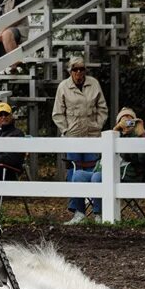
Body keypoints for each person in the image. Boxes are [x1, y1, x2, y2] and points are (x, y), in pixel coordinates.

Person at [53, 57, 108, 224]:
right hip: (74, 137)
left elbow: (102, 108)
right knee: (73, 173)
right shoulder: (63, 86)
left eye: (81, 69)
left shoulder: (94, 84)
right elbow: (57, 113)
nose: (79, 72)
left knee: (96, 173)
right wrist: (66, 130)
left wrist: (97, 125)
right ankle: (78, 212)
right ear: (70, 71)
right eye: (75, 69)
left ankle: (98, 212)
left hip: (92, 136)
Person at [0, 101, 25, 178]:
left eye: (6, 114)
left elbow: (12, 157)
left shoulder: (18, 134)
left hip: (7, 170)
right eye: (0, 114)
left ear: (11, 116)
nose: (3, 117)